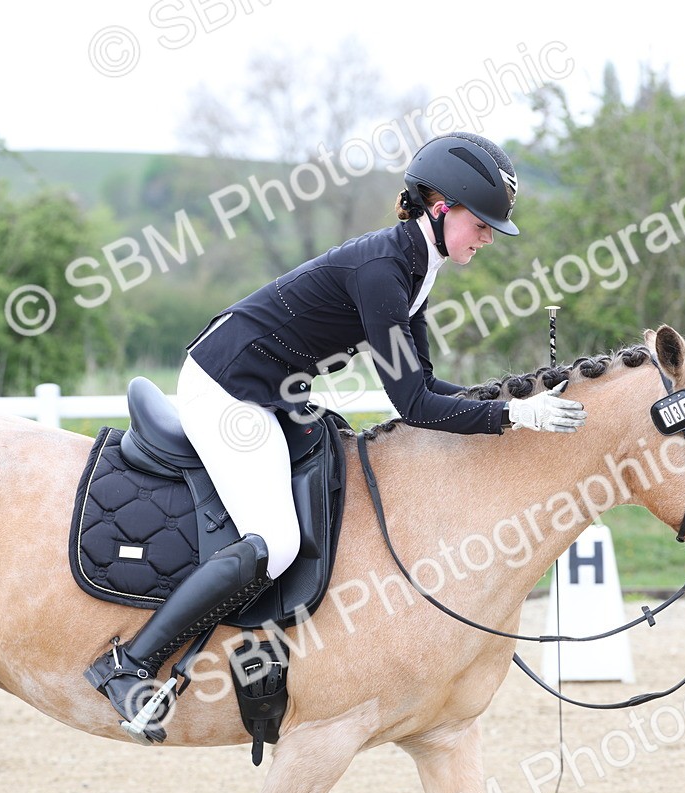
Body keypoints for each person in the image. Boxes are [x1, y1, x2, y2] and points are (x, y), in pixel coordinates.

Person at [84, 131, 587, 741]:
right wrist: (513, 419)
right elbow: (415, 405)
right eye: (481, 223)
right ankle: (128, 665)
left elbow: (424, 380)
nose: (487, 236)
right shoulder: (384, 272)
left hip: (266, 390)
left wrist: (511, 400)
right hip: (227, 391)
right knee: (274, 541)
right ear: (439, 208)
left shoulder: (413, 266)